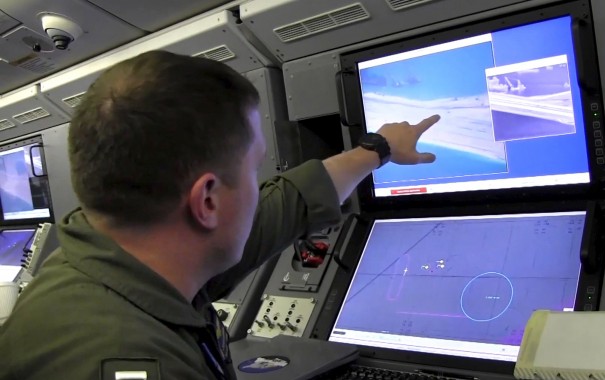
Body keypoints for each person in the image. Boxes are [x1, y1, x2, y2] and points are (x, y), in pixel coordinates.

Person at [0, 51, 440, 380]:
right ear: (207, 201)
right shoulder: (130, 358)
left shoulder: (114, 259)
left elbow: (285, 206)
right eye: (253, 169)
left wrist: (377, 150)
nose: (258, 188)